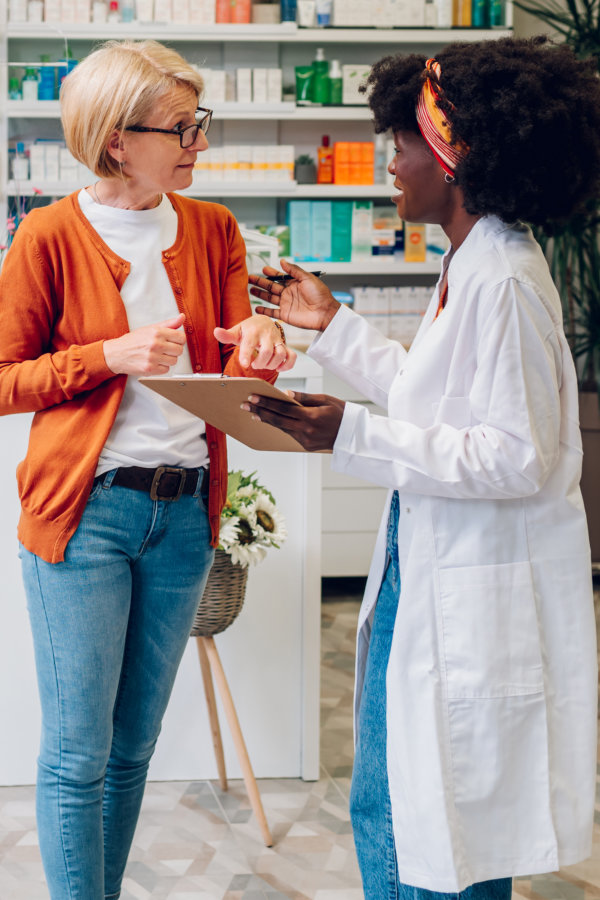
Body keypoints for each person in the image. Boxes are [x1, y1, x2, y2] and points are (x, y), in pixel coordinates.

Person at [245, 36, 600, 900]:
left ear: (454, 157)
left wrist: (350, 437)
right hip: (428, 565)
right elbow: (435, 402)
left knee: (424, 828)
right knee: (401, 805)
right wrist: (331, 326)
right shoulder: (470, 262)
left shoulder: (505, 279)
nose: (390, 164)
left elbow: (517, 455)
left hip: (468, 587)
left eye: (402, 143)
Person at [0, 40, 295, 900]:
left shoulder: (214, 230)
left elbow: (240, 375)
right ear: (117, 139)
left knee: (134, 745)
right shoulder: (48, 235)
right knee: (77, 752)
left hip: (184, 518)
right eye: (180, 127)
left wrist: (268, 347)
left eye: (198, 121)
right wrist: (106, 354)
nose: (199, 141)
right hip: (85, 518)